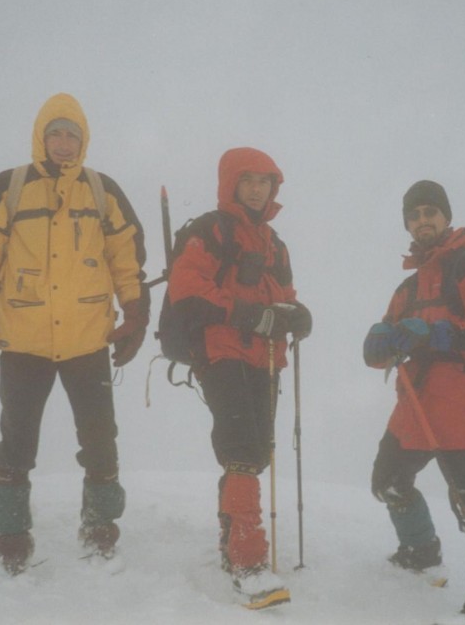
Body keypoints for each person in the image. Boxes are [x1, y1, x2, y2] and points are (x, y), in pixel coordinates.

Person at [0, 93, 148, 575]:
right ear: (42, 137)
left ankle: (101, 524)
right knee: (17, 440)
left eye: (73, 136)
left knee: (101, 437)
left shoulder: (102, 191)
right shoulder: (11, 186)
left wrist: (136, 316)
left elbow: (127, 259)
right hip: (24, 339)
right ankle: (12, 532)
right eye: (56, 134)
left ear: (84, 142)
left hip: (87, 338)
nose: (64, 144)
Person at [363, 180, 465, 624]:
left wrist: (434, 333)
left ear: (446, 217)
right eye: (414, 215)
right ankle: (419, 550)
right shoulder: (408, 288)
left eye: (431, 212)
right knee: (388, 480)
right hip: (416, 403)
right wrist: (378, 344)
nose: (423, 220)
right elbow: (387, 341)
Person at [165, 147, 310, 603]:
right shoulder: (210, 229)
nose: (256, 189)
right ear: (231, 183)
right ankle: (248, 562)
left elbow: (283, 294)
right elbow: (187, 288)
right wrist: (249, 316)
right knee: (243, 447)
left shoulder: (275, 242)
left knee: (255, 451)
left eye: (264, 181)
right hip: (222, 350)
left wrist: (297, 314)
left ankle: (233, 542)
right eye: (247, 180)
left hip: (265, 357)